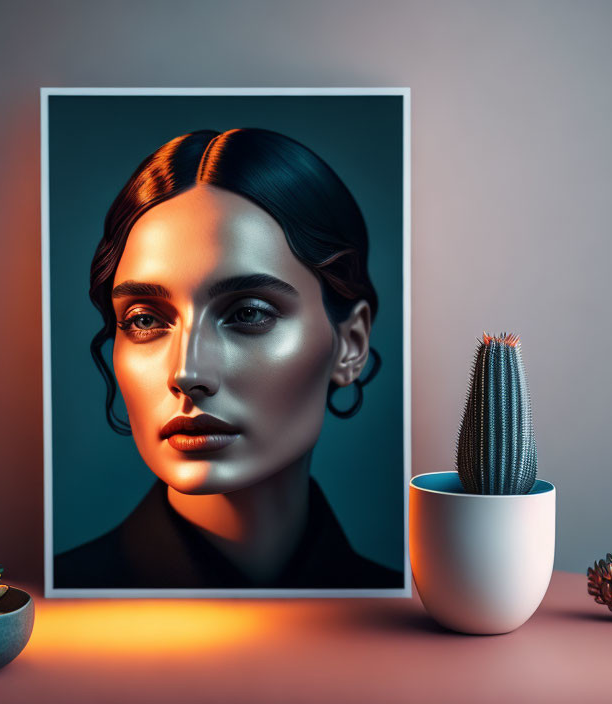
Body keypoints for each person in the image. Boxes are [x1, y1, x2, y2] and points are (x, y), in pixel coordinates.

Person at [55, 128, 401, 589]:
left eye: (248, 313)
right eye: (143, 320)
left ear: (351, 344)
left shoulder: (398, 608)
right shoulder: (54, 600)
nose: (188, 373)